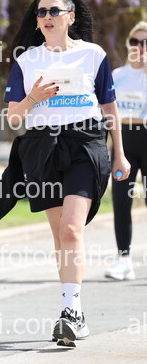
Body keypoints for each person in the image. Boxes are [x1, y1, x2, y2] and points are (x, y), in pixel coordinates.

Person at [0, 0, 131, 346]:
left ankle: (71, 313)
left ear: (71, 16)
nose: (47, 17)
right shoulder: (27, 61)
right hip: (43, 148)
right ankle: (74, 309)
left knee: (71, 229)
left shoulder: (93, 55)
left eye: (54, 11)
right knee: (60, 237)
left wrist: (119, 154)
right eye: (41, 12)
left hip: (85, 143)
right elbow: (13, 117)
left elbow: (109, 108)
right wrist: (32, 99)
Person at [105, 21, 147, 281]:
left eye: (145, 43)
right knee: (121, 201)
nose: (139, 47)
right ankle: (124, 260)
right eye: (135, 42)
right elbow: (107, 109)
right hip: (124, 141)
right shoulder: (118, 74)